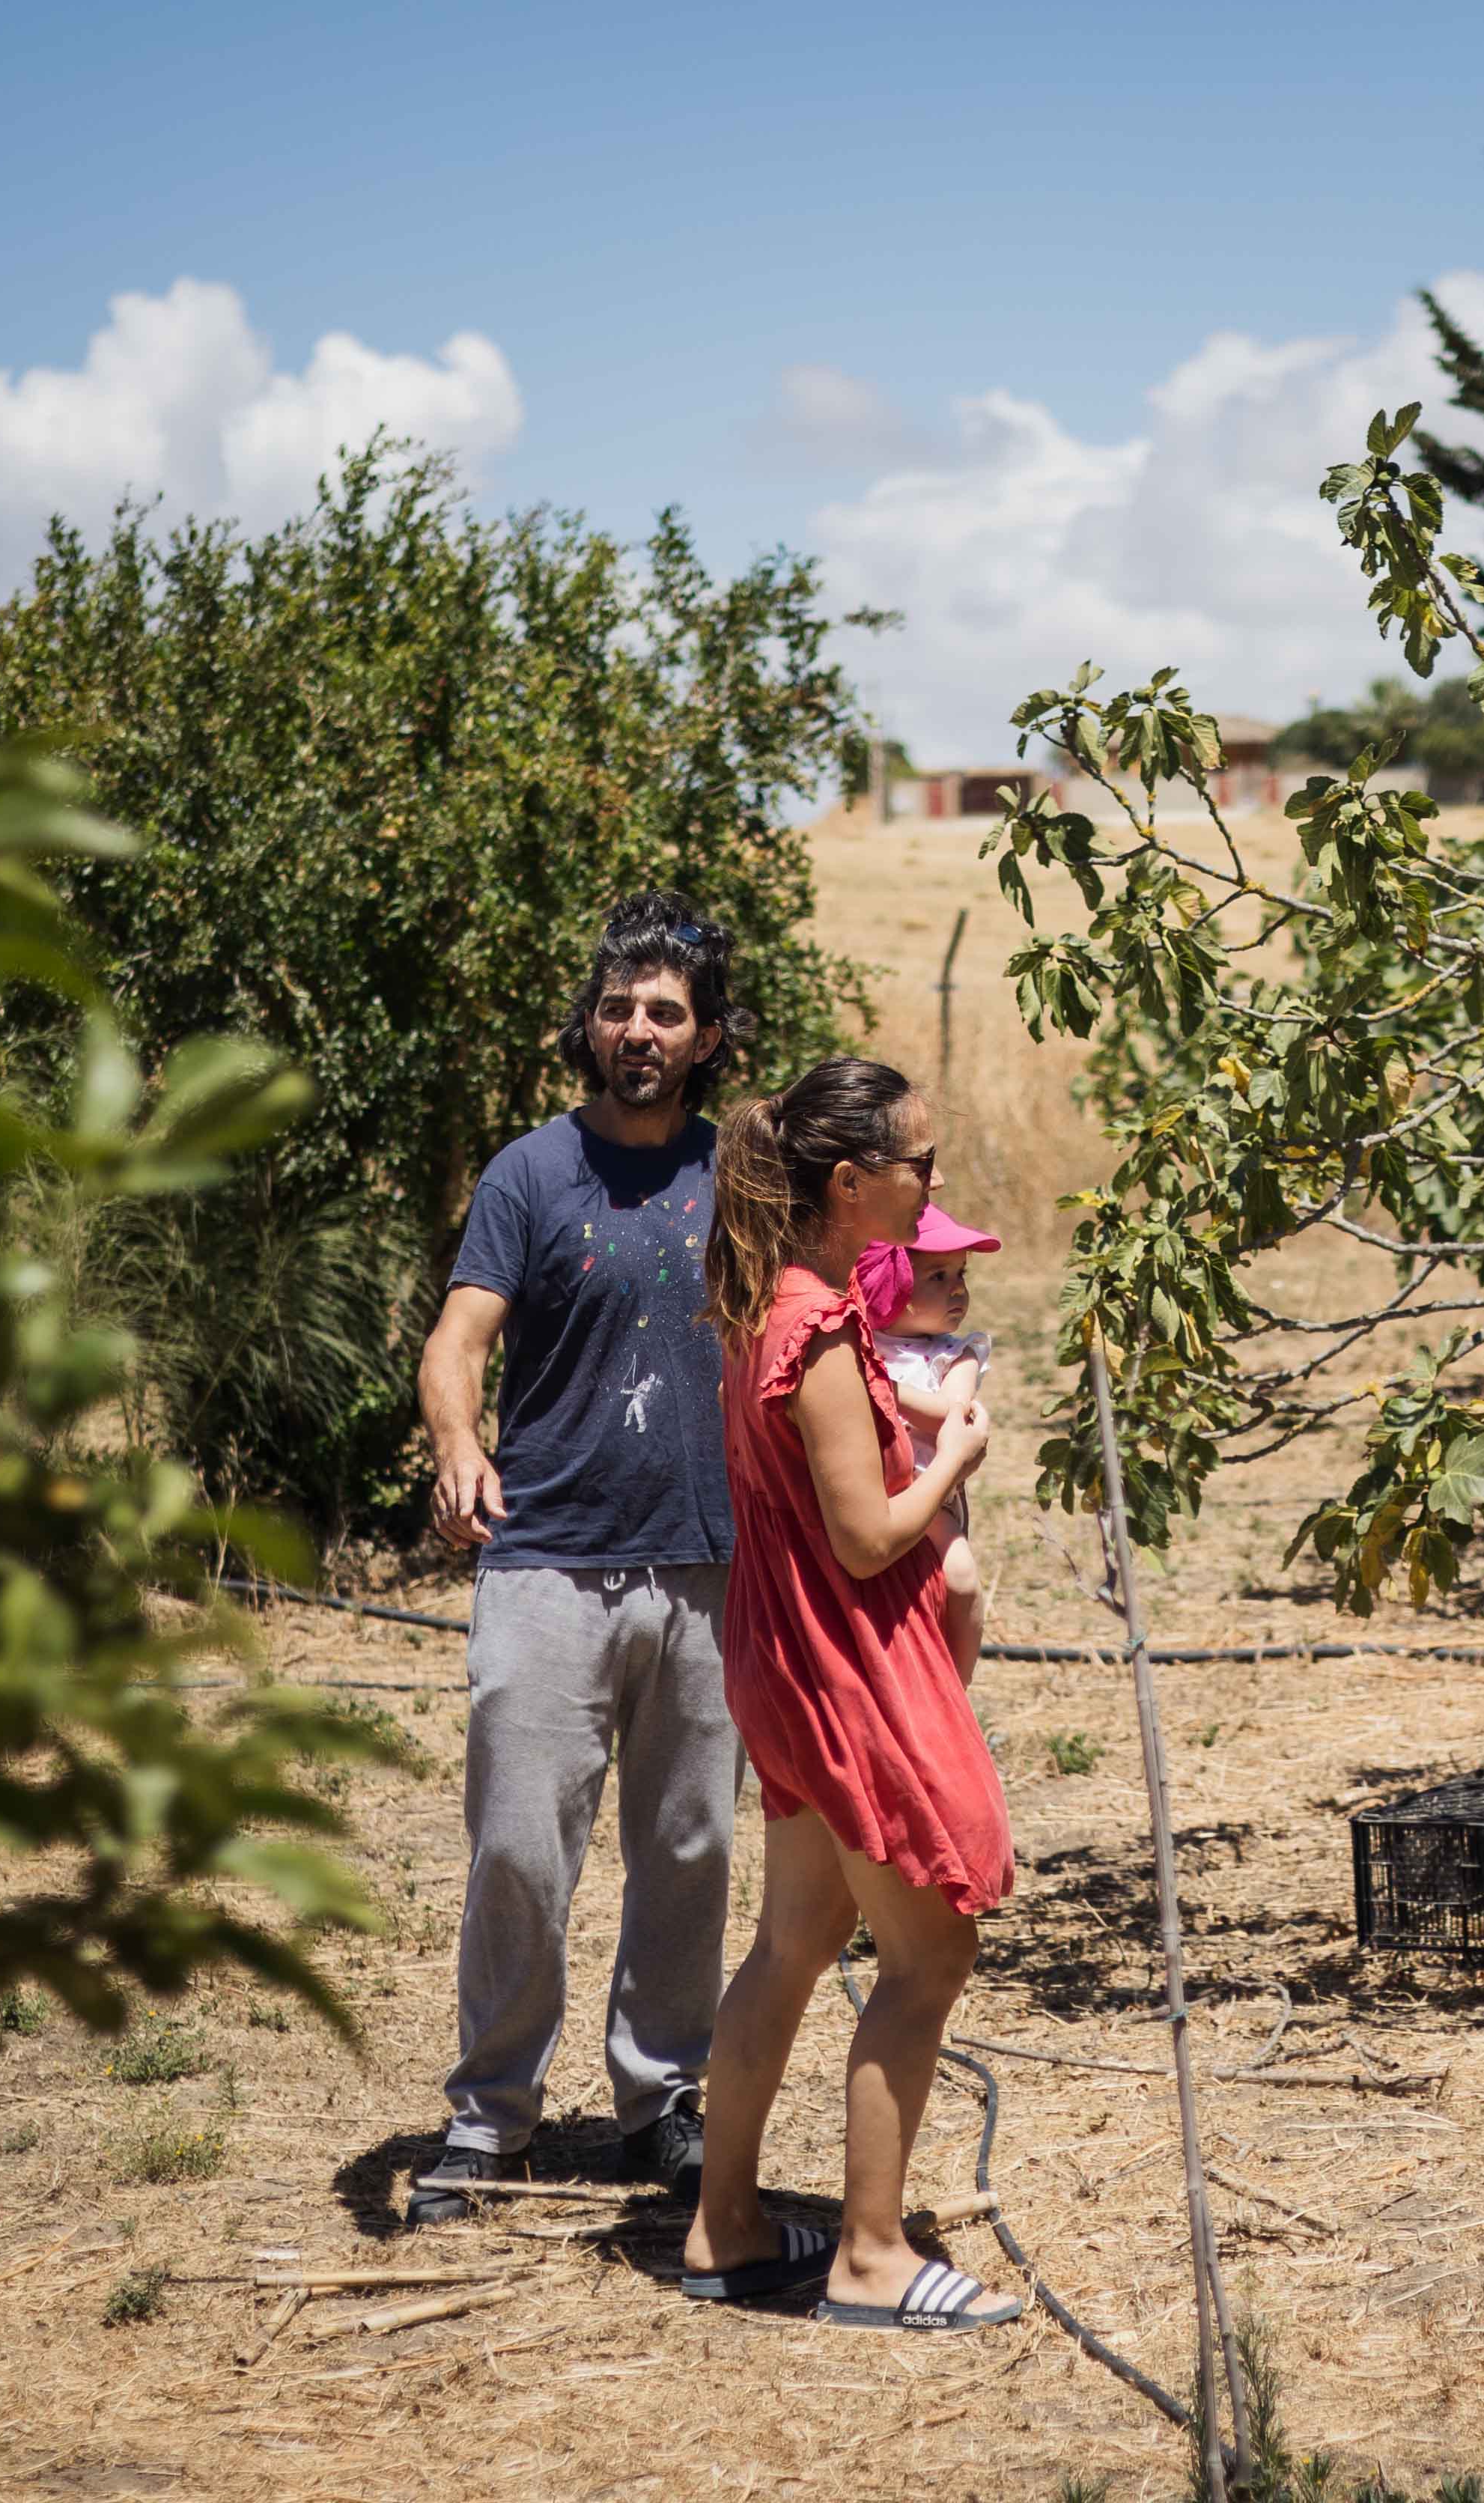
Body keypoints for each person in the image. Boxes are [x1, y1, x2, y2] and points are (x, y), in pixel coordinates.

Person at [409, 892, 742, 2224]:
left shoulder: (744, 1170)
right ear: (587, 1028)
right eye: (616, 1007)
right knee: (518, 1849)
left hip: (711, 1565)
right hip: (547, 1555)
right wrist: (455, 1442)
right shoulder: (529, 1173)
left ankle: (659, 2104)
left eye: (665, 1010)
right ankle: (489, 2114)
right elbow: (457, 1341)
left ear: (707, 1033)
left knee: (689, 1849)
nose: (637, 1029)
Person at [675, 1059, 1023, 2328]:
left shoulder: (766, 1299)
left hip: (783, 1655)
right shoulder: (815, 1327)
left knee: (795, 1941)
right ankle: (871, 2254)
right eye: (914, 1162)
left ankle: (725, 2224)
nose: (930, 1181)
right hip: (843, 1661)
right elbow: (869, 1535)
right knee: (932, 1949)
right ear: (847, 1179)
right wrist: (961, 1458)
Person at [859, 1203, 1000, 1682]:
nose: (958, 1288)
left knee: (959, 1578)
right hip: (867, 1503)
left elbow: (951, 1415)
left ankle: (956, 1687)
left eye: (961, 1274)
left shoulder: (954, 1357)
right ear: (886, 1281)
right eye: (937, 1276)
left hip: (930, 1502)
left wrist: (879, 1387)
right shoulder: (857, 1345)